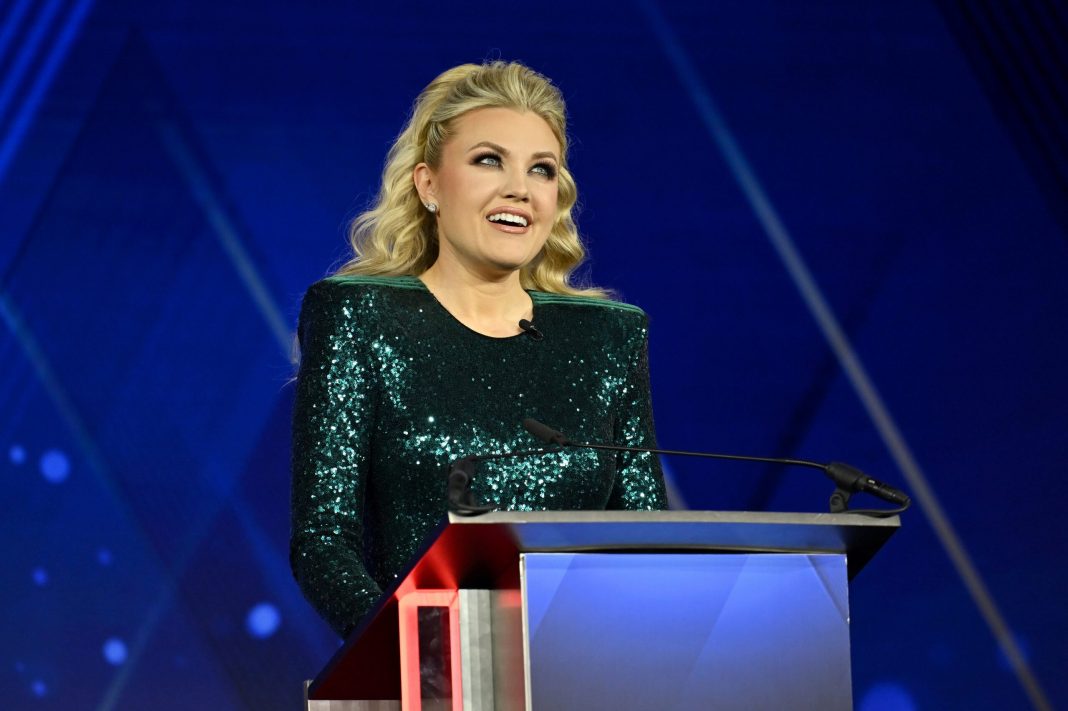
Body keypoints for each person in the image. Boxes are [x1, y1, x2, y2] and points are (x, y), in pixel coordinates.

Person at [290, 61, 668, 638]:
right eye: (489, 160)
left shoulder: (607, 336)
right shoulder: (360, 315)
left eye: (542, 170)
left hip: (590, 671)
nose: (519, 187)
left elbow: (647, 538)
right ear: (429, 184)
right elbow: (323, 541)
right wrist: (416, 655)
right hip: (422, 680)